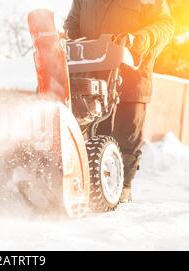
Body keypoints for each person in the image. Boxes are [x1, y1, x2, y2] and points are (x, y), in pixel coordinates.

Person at [64, 0, 175, 202]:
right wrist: (71, 37)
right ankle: (90, 182)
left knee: (127, 132)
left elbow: (164, 25)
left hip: (133, 73)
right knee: (93, 129)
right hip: (93, 74)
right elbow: (72, 23)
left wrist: (139, 39)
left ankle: (121, 185)